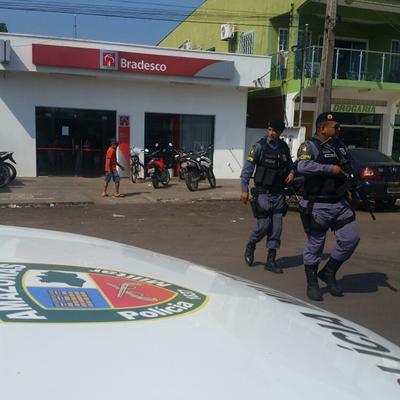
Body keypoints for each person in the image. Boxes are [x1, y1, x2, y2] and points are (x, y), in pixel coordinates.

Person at [296, 112, 360, 301]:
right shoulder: (310, 146)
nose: (339, 129)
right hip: (318, 204)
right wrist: (329, 169)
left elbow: (347, 168)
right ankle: (312, 283)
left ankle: (329, 272)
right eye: (335, 126)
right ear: (322, 128)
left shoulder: (338, 146)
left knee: (351, 239)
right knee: (315, 245)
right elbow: (302, 166)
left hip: (339, 202)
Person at [240, 119, 295, 273]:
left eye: (275, 131)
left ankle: (271, 260)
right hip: (263, 192)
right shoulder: (259, 147)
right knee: (264, 225)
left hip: (278, 193)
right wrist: (244, 189)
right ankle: (251, 244)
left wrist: (292, 172)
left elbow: (290, 164)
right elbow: (247, 170)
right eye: (269, 129)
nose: (271, 133)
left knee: (277, 228)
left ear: (280, 132)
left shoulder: (283, 147)